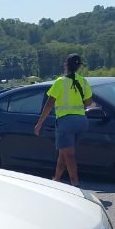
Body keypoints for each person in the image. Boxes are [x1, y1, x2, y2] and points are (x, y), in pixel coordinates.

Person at [34, 54, 92, 187]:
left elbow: (49, 105)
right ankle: (57, 180)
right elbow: (88, 103)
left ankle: (75, 184)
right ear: (78, 67)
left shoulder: (60, 82)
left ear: (66, 65)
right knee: (63, 152)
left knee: (69, 154)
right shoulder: (83, 81)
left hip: (66, 122)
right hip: (82, 121)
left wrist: (39, 124)